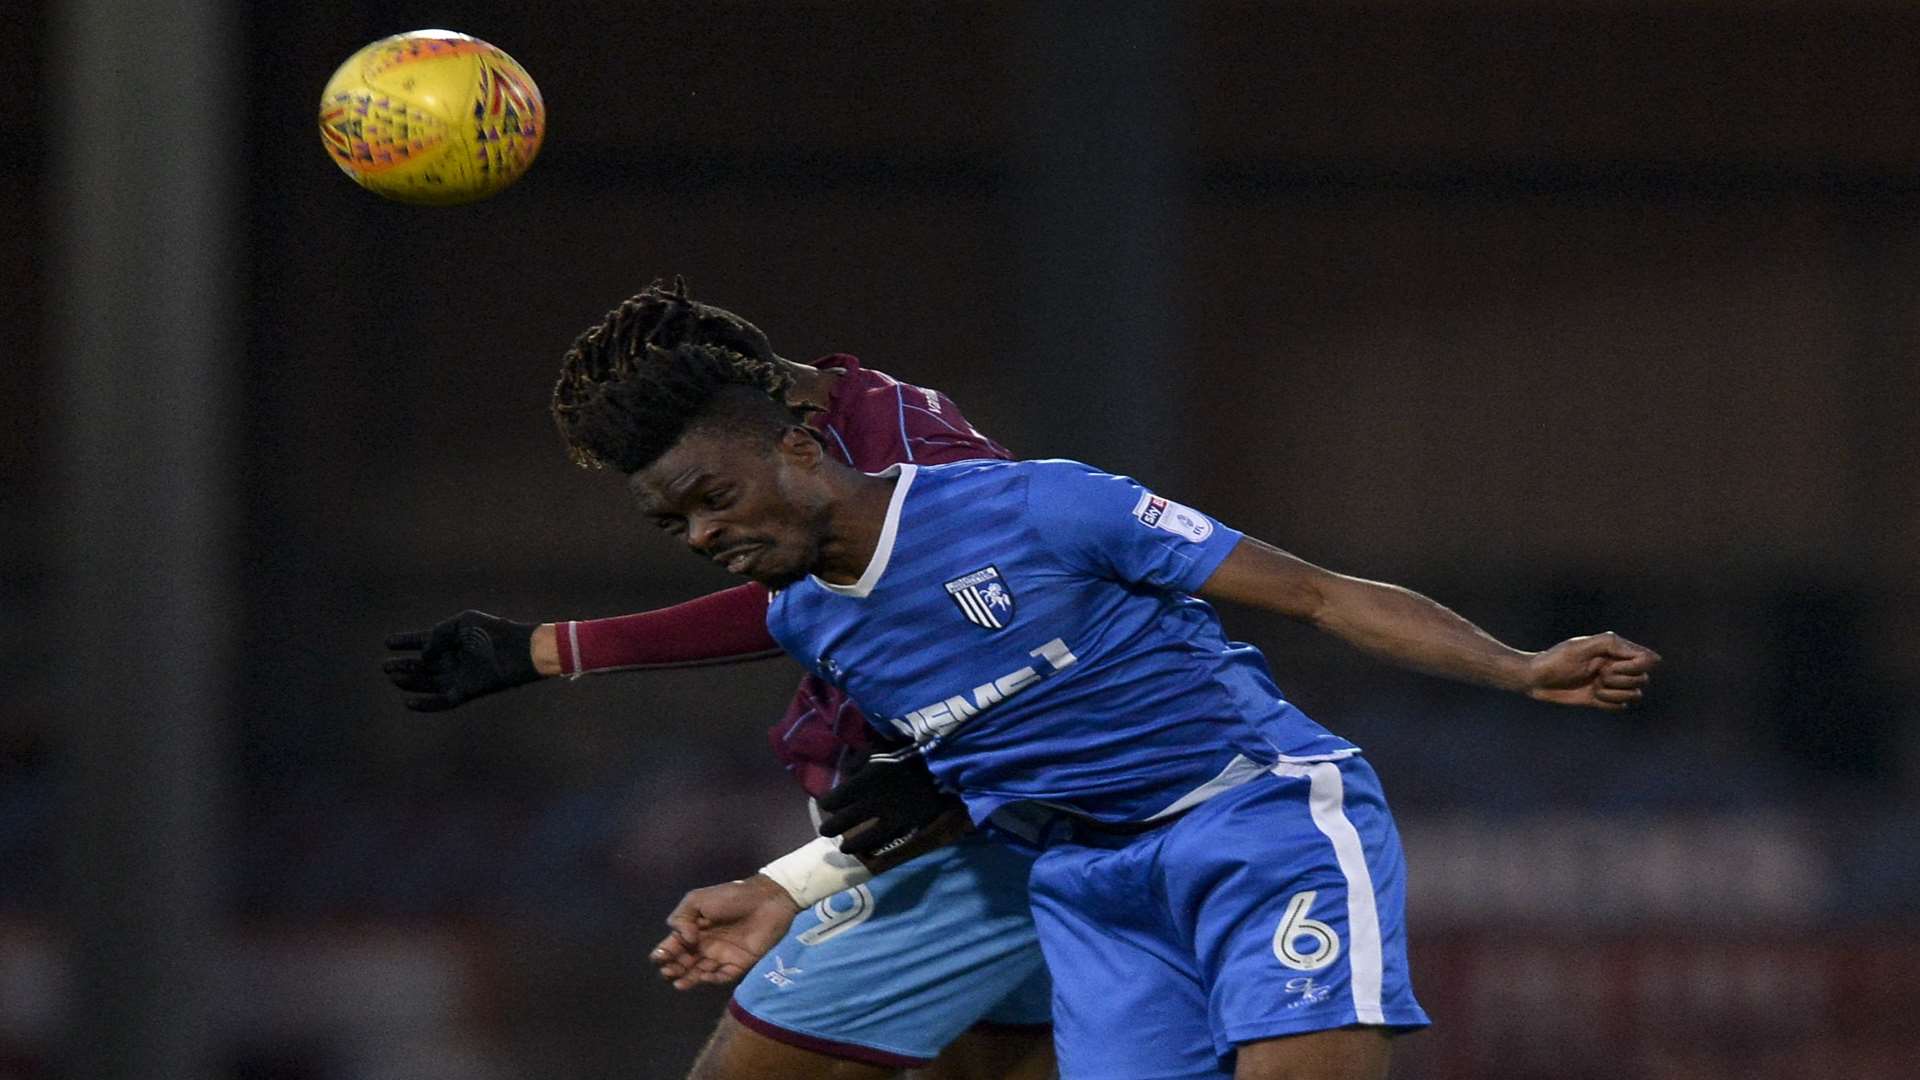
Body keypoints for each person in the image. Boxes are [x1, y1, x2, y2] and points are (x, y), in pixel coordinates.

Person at [552, 341, 1662, 1080]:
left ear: (798, 446)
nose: (702, 535)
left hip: (1252, 825)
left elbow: (1318, 594)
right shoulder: (812, 625)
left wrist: (1518, 668)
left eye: (715, 496)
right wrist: (782, 890)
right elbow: (963, 789)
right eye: (676, 526)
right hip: (1086, 886)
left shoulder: (1044, 505)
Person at [382, 281, 1056, 1080]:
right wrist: (548, 650)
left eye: (710, 489)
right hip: (991, 831)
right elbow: (796, 602)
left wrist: (946, 779)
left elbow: (1042, 626)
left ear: (761, 413)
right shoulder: (856, 434)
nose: (703, 534)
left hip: (959, 842)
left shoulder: (922, 462)